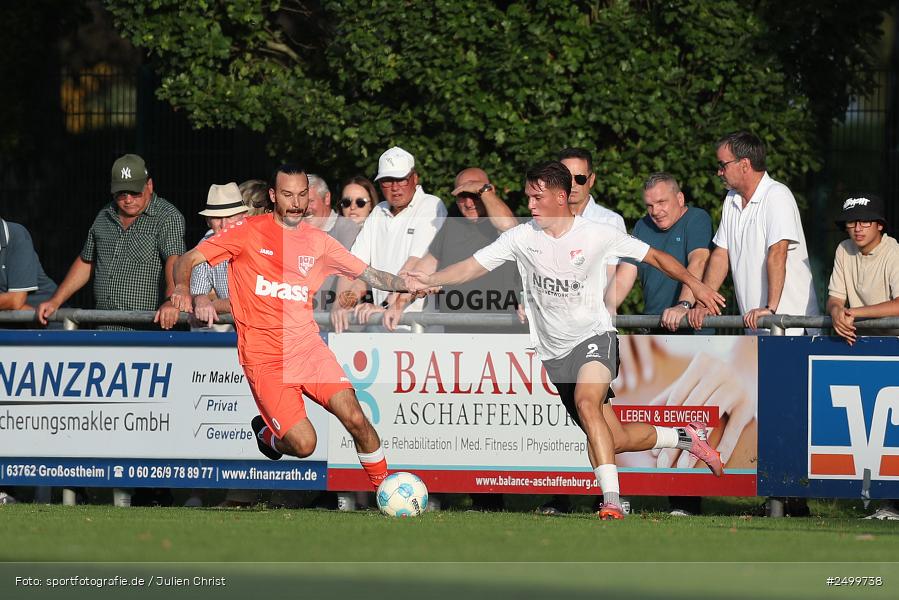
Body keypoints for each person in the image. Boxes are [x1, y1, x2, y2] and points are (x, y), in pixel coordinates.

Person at [405, 160, 727, 520]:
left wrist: (697, 286)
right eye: (528, 197)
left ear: (561, 197)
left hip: (594, 337)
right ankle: (686, 437)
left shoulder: (595, 233)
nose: (529, 205)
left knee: (587, 404)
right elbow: (470, 267)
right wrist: (428, 279)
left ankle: (610, 501)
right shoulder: (522, 237)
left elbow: (655, 256)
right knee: (611, 436)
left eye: (536, 197)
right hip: (555, 354)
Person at [169, 164, 410, 491]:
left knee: (355, 418)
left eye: (302, 195)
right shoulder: (247, 232)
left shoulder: (318, 241)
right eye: (287, 195)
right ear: (272, 196)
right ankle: (267, 435)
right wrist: (182, 289)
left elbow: (369, 273)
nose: (297, 203)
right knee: (304, 445)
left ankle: (387, 492)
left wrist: (408, 285)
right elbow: (188, 260)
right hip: (264, 361)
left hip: (308, 351)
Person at [609, 172, 713, 516]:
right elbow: (626, 272)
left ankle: (687, 500)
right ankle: (642, 492)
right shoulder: (641, 227)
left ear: (680, 199)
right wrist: (607, 308)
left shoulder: (697, 218)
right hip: (655, 335)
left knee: (689, 415)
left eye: (662, 202)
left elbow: (698, 262)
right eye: (650, 204)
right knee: (657, 417)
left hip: (690, 335)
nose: (655, 210)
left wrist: (684, 305)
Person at [688, 132, 820, 334]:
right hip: (757, 328)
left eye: (723, 165)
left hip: (790, 328)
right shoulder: (731, 199)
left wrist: (770, 310)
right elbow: (721, 255)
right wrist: (704, 302)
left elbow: (778, 252)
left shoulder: (777, 195)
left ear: (744, 164)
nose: (719, 172)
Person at [37, 154, 186, 330]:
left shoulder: (167, 216)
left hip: (146, 327)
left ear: (150, 185)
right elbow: (87, 260)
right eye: (121, 193)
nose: (128, 199)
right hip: (105, 324)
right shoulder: (104, 214)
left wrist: (171, 301)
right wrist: (56, 300)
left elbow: (175, 260)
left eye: (135, 192)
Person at [826, 194, 899, 521]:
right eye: (852, 222)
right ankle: (882, 503)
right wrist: (838, 313)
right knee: (872, 435)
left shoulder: (893, 251)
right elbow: (834, 299)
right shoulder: (844, 250)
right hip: (861, 349)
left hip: (893, 351)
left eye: (865, 221)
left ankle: (890, 505)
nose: (857, 228)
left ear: (880, 225)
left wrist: (852, 313)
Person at [331, 146, 447, 332]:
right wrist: (342, 305)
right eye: (387, 181)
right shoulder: (378, 212)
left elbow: (416, 265)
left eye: (400, 179)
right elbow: (354, 268)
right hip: (383, 324)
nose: (395, 187)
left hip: (419, 328)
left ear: (414, 178)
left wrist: (384, 306)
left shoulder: (431, 205)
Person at [0, 216, 57, 312]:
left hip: (51, 321)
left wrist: (12, 302)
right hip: (15, 321)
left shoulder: (16, 234)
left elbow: (15, 300)